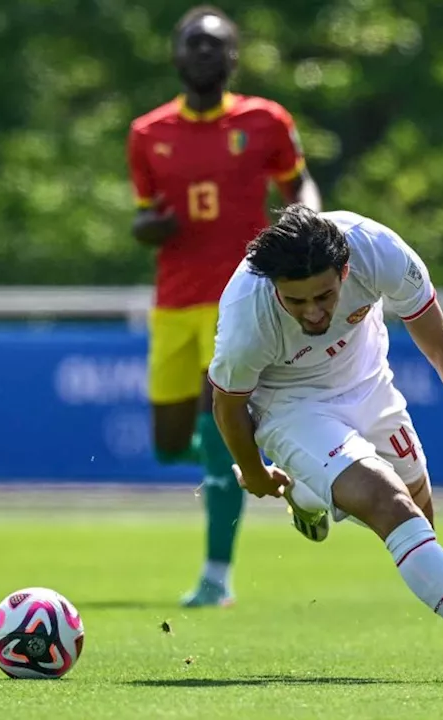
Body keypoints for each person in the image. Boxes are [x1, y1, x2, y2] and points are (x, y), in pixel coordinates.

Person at [206, 204, 443, 684]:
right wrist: (256, 471)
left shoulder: (379, 251)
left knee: (421, 518)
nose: (313, 313)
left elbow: (440, 345)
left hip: (370, 385)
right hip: (293, 406)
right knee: (390, 506)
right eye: (297, 301)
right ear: (274, 289)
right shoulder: (248, 315)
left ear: (346, 271)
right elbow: (227, 407)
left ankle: (310, 491)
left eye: (324, 296)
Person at [126, 5, 323, 608]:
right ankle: (251, 467)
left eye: (216, 44)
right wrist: (148, 228)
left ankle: (217, 576)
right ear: (177, 57)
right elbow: (144, 215)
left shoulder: (265, 121)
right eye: (194, 44)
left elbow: (299, 184)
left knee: (217, 433)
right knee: (168, 442)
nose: (205, 52)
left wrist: (310, 217)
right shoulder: (147, 133)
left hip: (238, 297)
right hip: (173, 303)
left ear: (233, 56)